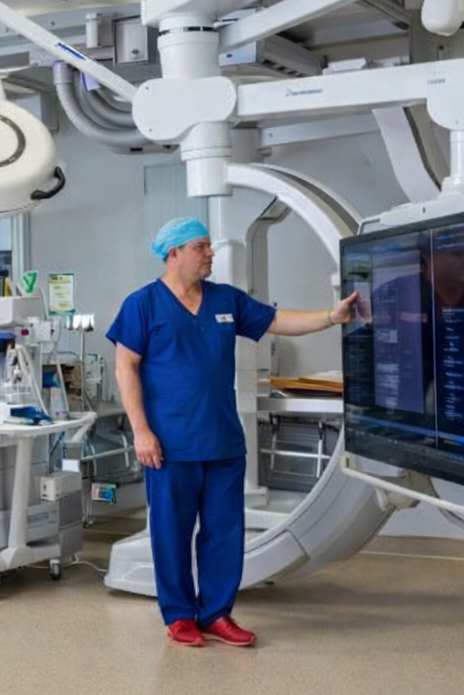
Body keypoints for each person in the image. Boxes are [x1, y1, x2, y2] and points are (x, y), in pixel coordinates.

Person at [107, 217, 357, 648]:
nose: (210, 253)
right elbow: (125, 366)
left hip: (222, 440)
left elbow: (278, 321)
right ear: (174, 254)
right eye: (201, 246)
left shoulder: (225, 300)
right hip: (168, 445)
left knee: (225, 531)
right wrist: (141, 431)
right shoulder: (142, 304)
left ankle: (217, 613)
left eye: (208, 246)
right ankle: (180, 615)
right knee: (171, 532)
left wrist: (331, 317)